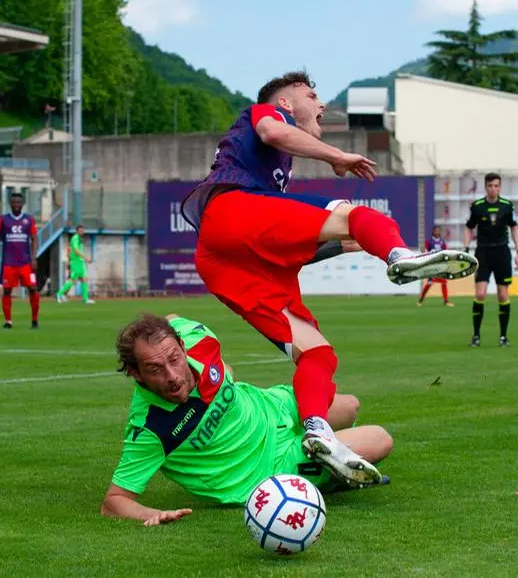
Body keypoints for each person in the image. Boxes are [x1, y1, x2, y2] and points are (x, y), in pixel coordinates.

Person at [179, 71, 476, 485]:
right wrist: (335, 155)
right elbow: (270, 130)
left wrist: (343, 243)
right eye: (311, 95)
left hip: (225, 261)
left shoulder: (273, 168)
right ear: (286, 104)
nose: (320, 103)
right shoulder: (265, 115)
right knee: (357, 213)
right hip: (231, 213)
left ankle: (319, 432)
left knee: (317, 353)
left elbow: (283, 244)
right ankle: (401, 255)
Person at [100, 313, 393, 526]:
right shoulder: (150, 427)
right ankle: (331, 480)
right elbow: (114, 502)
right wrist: (152, 514)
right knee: (380, 440)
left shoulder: (196, 336)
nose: (173, 376)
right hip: (271, 466)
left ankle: (334, 464)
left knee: (351, 406)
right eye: (155, 369)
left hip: (270, 406)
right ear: (135, 374)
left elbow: (174, 318)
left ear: (182, 345)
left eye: (174, 359)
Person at [464, 173, 518, 348]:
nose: (493, 189)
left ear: (500, 187)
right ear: (485, 187)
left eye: (496, 186)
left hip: (502, 252)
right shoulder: (478, 206)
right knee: (480, 293)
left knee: (503, 295)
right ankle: (476, 336)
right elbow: (469, 228)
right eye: (490, 186)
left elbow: (514, 228)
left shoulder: (506, 206)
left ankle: (503, 337)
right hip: (483, 252)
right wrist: (466, 250)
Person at [0, 192, 40, 329]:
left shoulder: (29, 220)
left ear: (22, 204)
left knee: (33, 289)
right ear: (10, 204)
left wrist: (34, 257)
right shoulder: (3, 219)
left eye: (18, 203)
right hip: (9, 263)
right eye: (14, 202)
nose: (16, 205)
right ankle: (8, 321)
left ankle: (34, 320)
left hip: (26, 262)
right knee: (7, 291)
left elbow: (34, 238)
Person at [56, 224, 95, 304]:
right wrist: (86, 258)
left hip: (80, 262)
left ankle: (85, 299)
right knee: (73, 281)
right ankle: (59, 294)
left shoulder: (79, 239)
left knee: (85, 279)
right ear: (77, 231)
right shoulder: (75, 238)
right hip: (76, 262)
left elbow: (73, 250)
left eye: (83, 230)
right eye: (80, 230)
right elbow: (76, 250)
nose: (82, 231)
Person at [417, 225, 454, 307]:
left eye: (439, 230)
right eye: (436, 230)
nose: (437, 232)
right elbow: (425, 251)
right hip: (432, 265)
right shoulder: (429, 241)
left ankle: (446, 301)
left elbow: (446, 252)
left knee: (444, 282)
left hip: (440, 265)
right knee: (429, 283)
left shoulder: (442, 242)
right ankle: (421, 299)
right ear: (433, 232)